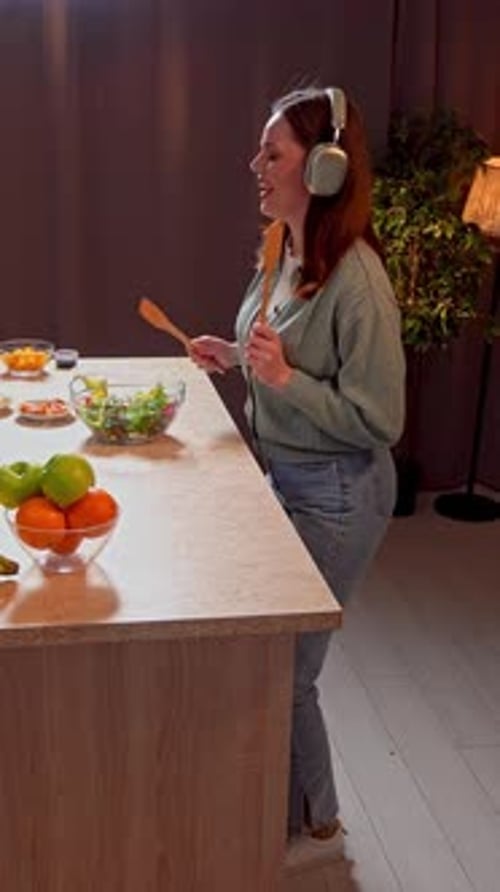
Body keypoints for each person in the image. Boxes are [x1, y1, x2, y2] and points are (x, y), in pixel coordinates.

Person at [189, 86, 405, 863]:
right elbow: (279, 354)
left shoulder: (358, 281)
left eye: (272, 153)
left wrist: (283, 381)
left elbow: (381, 421)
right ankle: (274, 807)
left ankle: (319, 831)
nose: (256, 164)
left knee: (287, 672)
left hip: (339, 492)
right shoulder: (282, 249)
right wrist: (236, 356)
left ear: (323, 169)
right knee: (268, 658)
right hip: (287, 476)